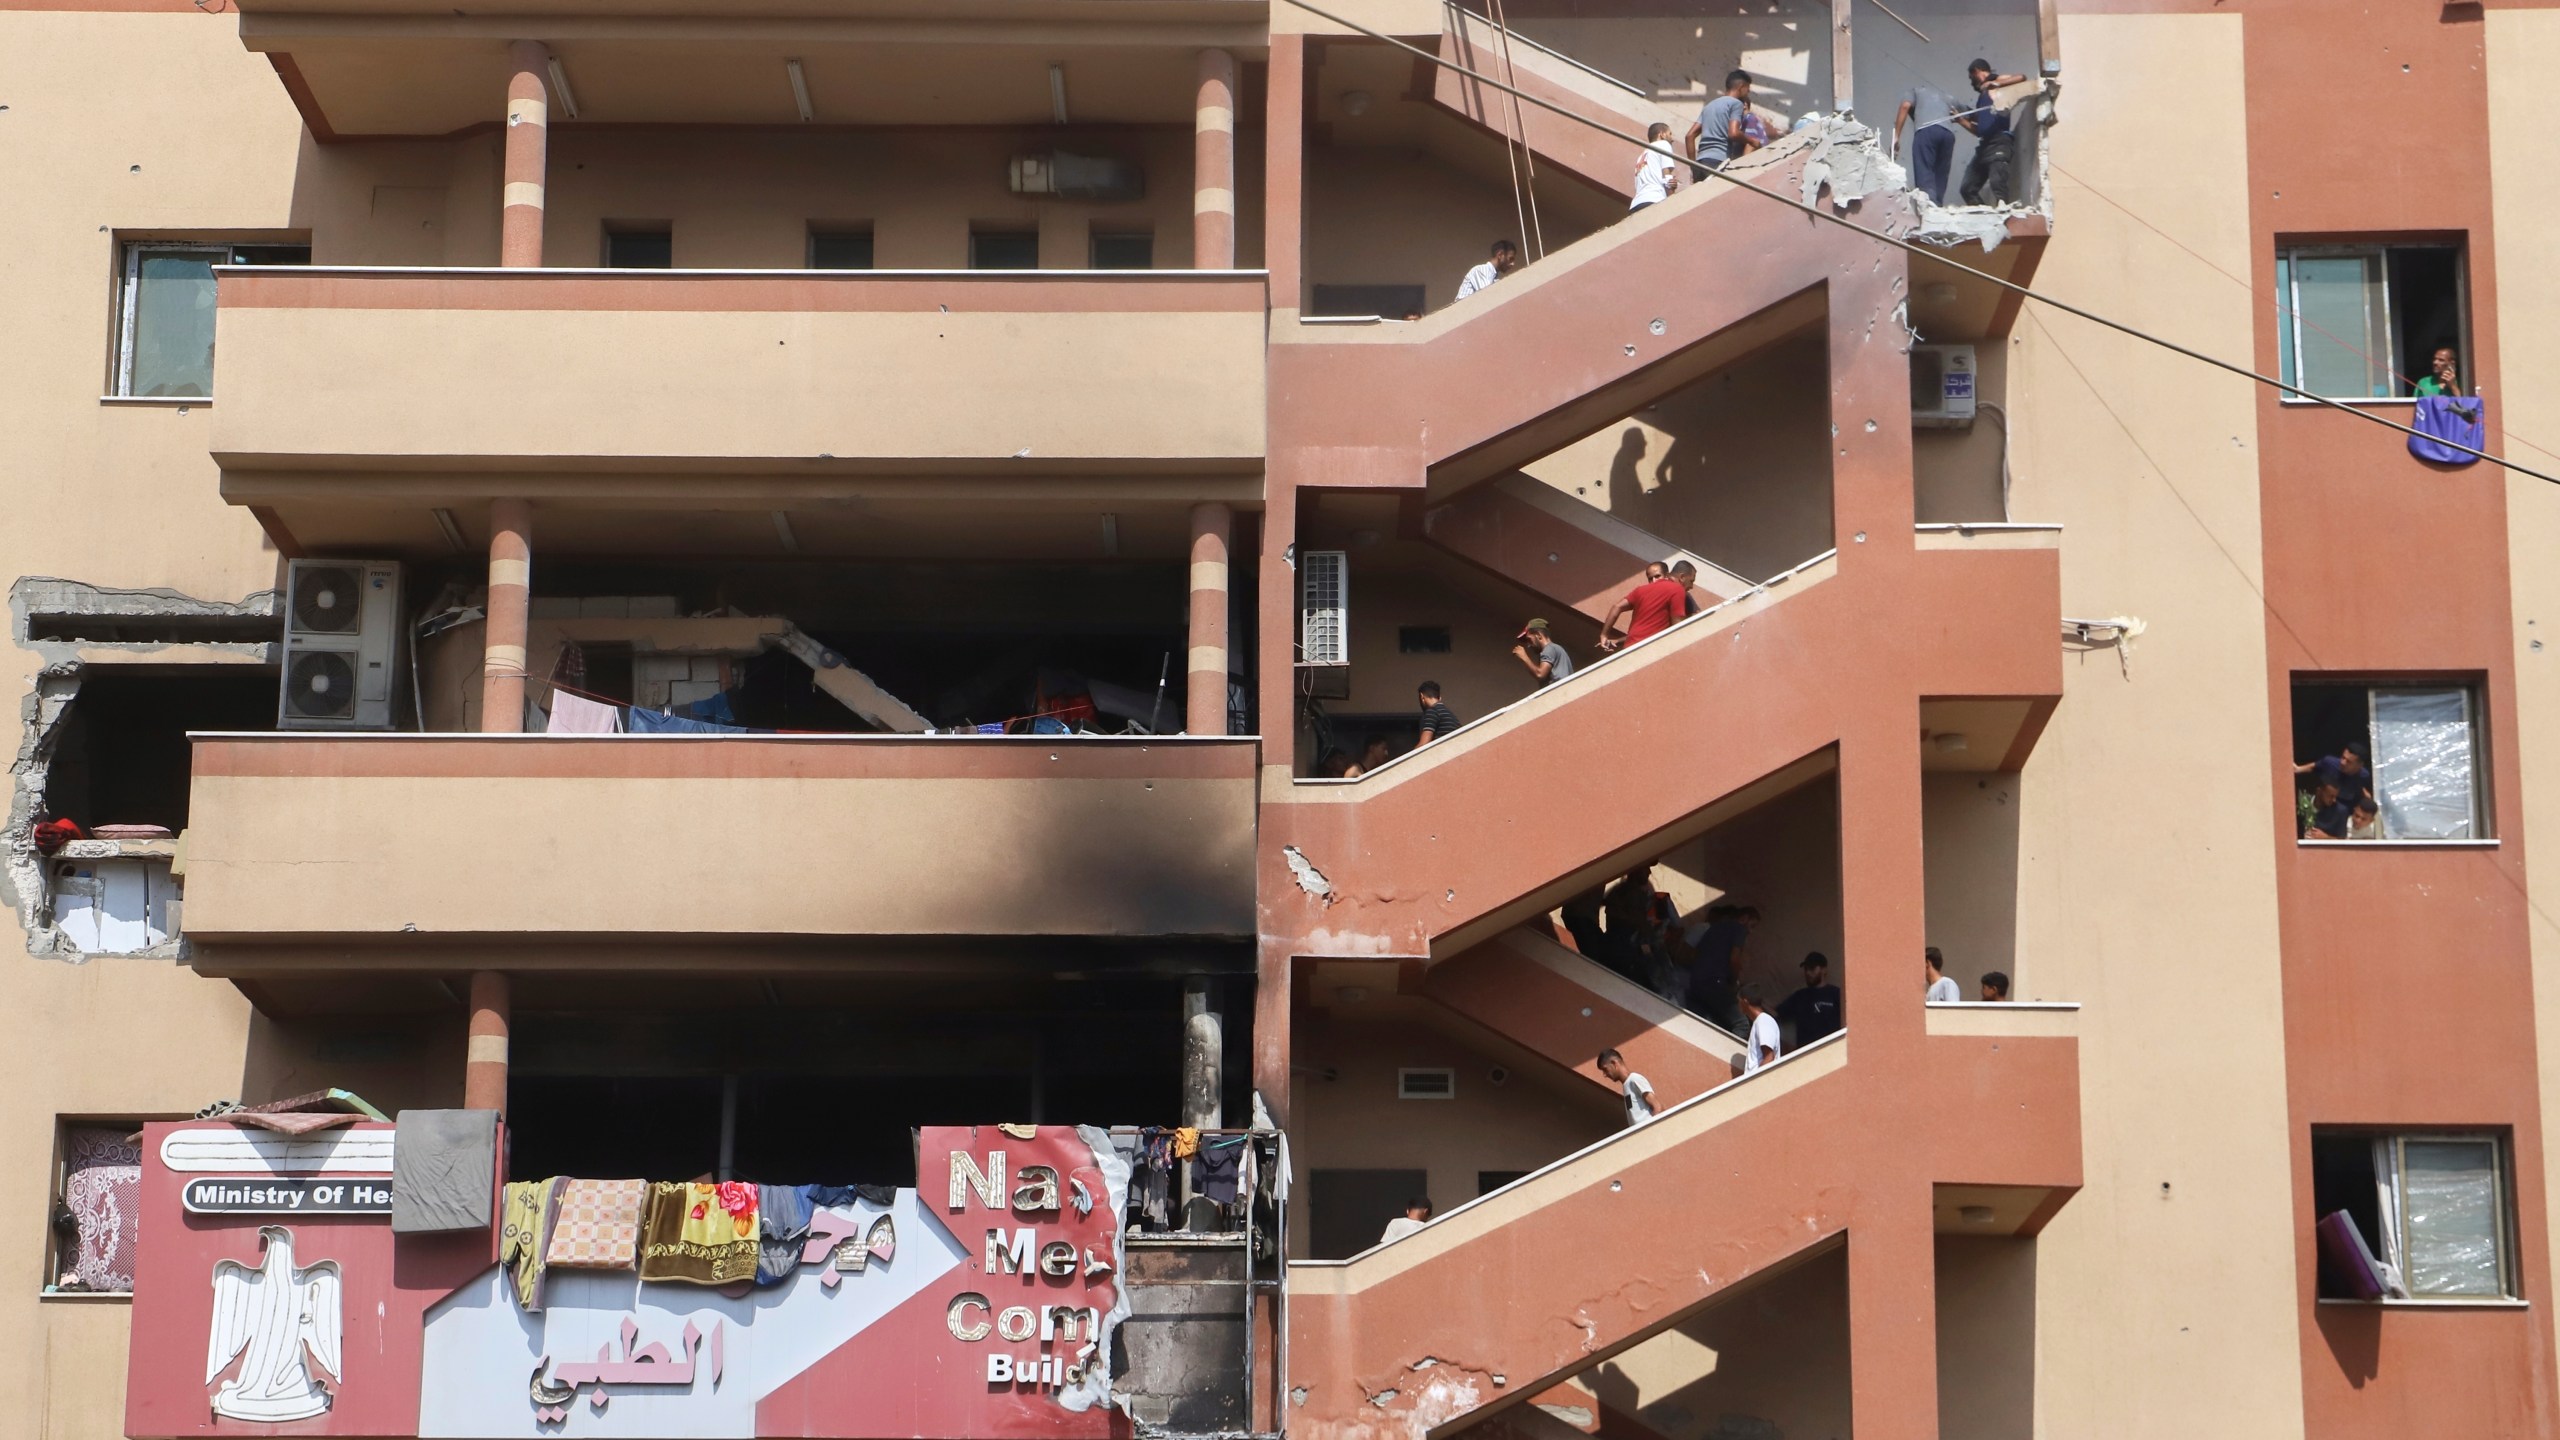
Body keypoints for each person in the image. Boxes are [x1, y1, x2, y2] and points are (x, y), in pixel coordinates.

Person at [1956, 59, 2029, 206]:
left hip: (1999, 141)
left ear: (1978, 71)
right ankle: (1982, 214)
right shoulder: (1982, 100)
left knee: (1998, 183)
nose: (1972, 83)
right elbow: (1980, 131)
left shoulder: (1995, 80)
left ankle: (2003, 210)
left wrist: (1995, 84)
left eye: (1972, 78)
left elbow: (2022, 77)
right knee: (1967, 188)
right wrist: (1961, 121)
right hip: (1985, 145)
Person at [1681, 903, 1755, 1031]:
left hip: (1696, 982)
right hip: (1714, 982)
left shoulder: (1712, 928)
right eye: (1752, 926)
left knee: (1704, 1023)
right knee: (1741, 1024)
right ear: (1744, 918)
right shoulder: (1739, 929)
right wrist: (1733, 981)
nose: (1751, 931)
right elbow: (1734, 959)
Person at [1599, 561, 1698, 651]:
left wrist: (1604, 635)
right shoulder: (1677, 590)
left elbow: (1617, 607)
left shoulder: (1640, 590)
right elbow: (1678, 627)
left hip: (1628, 650)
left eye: (1657, 576)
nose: (1691, 586)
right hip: (1648, 650)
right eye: (1691, 581)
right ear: (1682, 577)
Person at [1894, 79, 1965, 205]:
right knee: (1940, 173)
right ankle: (1937, 204)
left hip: (1926, 131)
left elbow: (1905, 106)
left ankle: (1928, 205)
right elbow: (1973, 114)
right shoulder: (1948, 98)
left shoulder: (1914, 91)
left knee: (1924, 170)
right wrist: (1964, 122)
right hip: (1948, 135)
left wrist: (1896, 137)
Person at [1684, 70, 1757, 174]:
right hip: (1717, 162)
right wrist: (1752, 141)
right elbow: (1734, 133)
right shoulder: (1736, 104)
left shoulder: (1709, 106)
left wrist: (1693, 166)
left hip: (1700, 162)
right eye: (1748, 89)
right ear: (1741, 86)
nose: (1748, 92)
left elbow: (1689, 136)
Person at [1774, 951, 1843, 1046]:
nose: (1807, 973)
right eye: (1806, 969)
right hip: (1805, 1054)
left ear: (1824, 970)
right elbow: (1776, 1014)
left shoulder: (1836, 994)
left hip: (1832, 1051)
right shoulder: (1799, 996)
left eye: (1812, 968)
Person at [2294, 743, 2377, 815]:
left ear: (2359, 765)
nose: (2342, 762)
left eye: (2348, 761)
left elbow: (2363, 791)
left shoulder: (2364, 776)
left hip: (2341, 814)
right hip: (2321, 808)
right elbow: (2314, 767)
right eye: (2343, 757)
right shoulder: (2330, 763)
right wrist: (2299, 769)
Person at [1597, 1047, 1657, 1127]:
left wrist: (1653, 1133)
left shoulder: (1634, 1079)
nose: (1605, 1075)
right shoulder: (1627, 1085)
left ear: (1614, 1063)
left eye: (1605, 1069)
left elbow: (1658, 1107)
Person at [1631, 122, 1681, 213]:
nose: (1672, 139)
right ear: (1662, 134)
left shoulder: (1641, 156)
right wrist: (1673, 204)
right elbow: (1667, 177)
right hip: (1654, 199)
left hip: (1636, 204)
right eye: (1670, 134)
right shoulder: (1663, 144)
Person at [1511, 618, 1575, 688]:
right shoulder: (1556, 649)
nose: (1528, 645)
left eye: (1529, 640)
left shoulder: (1549, 649)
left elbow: (1540, 674)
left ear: (1539, 635)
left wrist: (1524, 657)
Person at [1455, 239, 1521, 300]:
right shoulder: (1480, 270)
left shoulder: (1494, 279)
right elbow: (1488, 298)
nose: (1512, 264)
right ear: (1500, 255)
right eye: (1510, 259)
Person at [1738, 983, 1780, 1076]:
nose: (1738, 1005)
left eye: (1739, 1001)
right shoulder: (1760, 1022)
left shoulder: (1763, 1021)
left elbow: (1769, 1057)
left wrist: (1756, 1083)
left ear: (1745, 1001)